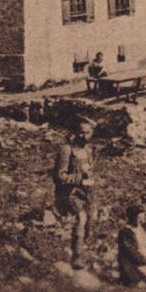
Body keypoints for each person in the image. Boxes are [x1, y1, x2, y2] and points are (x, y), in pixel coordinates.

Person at [54, 115, 98, 269]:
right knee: (81, 217)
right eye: (81, 132)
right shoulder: (67, 150)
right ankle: (76, 256)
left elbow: (90, 172)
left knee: (91, 220)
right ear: (75, 133)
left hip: (86, 192)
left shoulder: (88, 151)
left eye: (88, 132)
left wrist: (90, 180)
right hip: (69, 193)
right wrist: (79, 178)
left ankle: (84, 249)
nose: (84, 136)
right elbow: (60, 176)